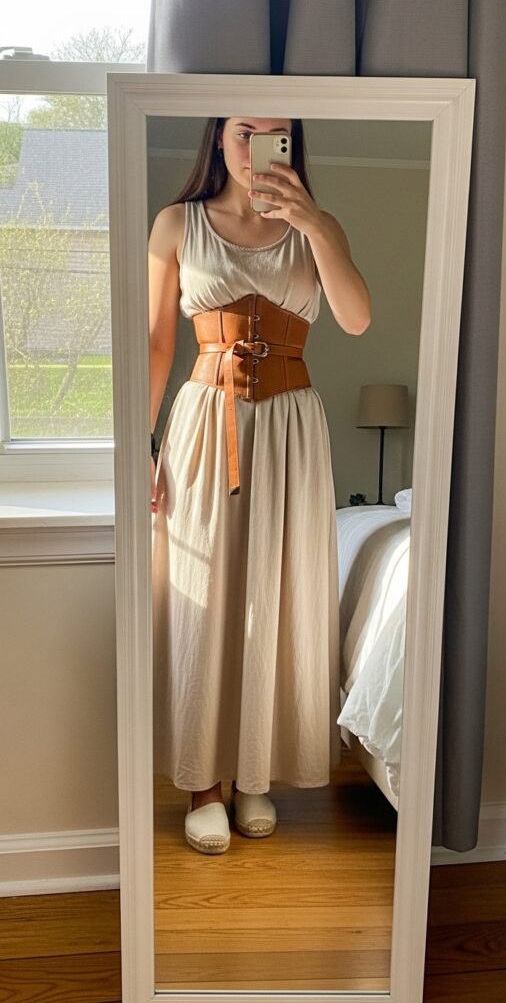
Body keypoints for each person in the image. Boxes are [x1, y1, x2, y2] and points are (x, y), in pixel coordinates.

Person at [149, 116, 371, 855]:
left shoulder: (318, 228)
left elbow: (356, 319)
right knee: (204, 595)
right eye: (244, 132)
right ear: (217, 137)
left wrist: (316, 225)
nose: (257, 150)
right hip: (205, 421)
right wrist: (141, 447)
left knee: (277, 594)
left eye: (276, 134)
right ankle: (202, 784)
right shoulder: (177, 223)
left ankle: (254, 774)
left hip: (290, 428)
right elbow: (156, 342)